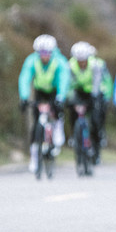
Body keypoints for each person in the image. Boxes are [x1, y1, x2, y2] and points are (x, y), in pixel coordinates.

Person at [18, 34, 69, 173]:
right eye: (41, 53)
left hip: (54, 91)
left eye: (47, 53)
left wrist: (61, 97)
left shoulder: (60, 61)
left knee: (57, 111)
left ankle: (58, 128)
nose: (44, 55)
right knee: (36, 124)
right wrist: (24, 97)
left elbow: (64, 80)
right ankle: (34, 158)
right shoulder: (31, 60)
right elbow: (25, 77)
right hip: (40, 92)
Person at [66, 41, 112, 167]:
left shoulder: (95, 65)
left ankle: (97, 146)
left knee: (95, 119)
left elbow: (97, 81)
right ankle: (74, 136)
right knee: (72, 111)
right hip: (78, 92)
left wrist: (95, 96)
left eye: (83, 60)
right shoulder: (70, 65)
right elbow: (68, 82)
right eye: (79, 60)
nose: (81, 62)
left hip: (93, 92)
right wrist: (68, 97)